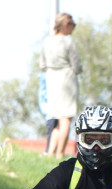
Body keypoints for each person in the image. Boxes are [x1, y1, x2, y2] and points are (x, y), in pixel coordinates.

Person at [40, 13, 82, 159]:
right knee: (66, 119)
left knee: (57, 119)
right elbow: (77, 66)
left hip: (51, 80)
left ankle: (50, 153)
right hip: (67, 80)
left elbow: (42, 64)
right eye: (72, 25)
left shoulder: (46, 42)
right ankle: (60, 154)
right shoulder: (68, 42)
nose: (73, 28)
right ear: (65, 25)